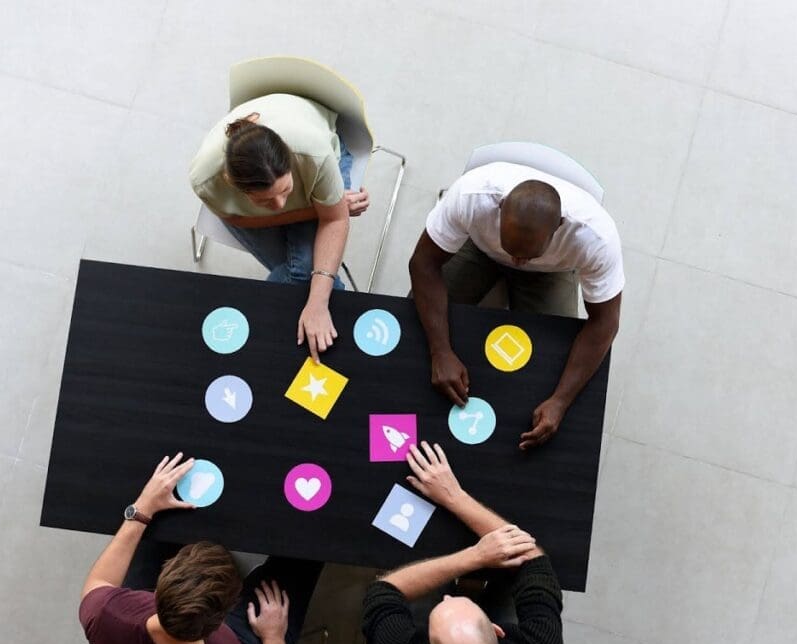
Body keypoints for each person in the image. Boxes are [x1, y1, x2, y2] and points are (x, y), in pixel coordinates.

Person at [408, 161, 624, 450]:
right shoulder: (471, 197)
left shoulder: (595, 237)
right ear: (499, 208)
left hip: (550, 272)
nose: (516, 262)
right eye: (512, 250)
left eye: (526, 255)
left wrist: (560, 400)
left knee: (553, 364)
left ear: (560, 227)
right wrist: (441, 351)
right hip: (480, 250)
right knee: (415, 331)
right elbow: (423, 263)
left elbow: (605, 322)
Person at [79, 453, 323, 644]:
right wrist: (274, 639)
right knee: (313, 542)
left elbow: (97, 584)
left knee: (158, 513)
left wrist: (142, 508)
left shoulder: (107, 617)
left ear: (162, 582)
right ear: (222, 618)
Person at [190, 93, 371, 363]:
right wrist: (312, 210)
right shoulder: (206, 179)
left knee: (307, 278)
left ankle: (256, 343)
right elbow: (235, 219)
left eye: (286, 190)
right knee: (306, 275)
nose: (280, 205)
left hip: (324, 152)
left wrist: (318, 304)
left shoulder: (313, 153)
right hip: (298, 205)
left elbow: (335, 220)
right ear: (232, 182)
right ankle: (328, 353)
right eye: (264, 200)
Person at [362, 442, 564, 644]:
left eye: (445, 603)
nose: (450, 596)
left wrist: (474, 557)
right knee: (510, 575)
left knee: (423, 564)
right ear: (496, 630)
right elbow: (533, 560)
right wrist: (455, 497)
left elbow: (383, 590)